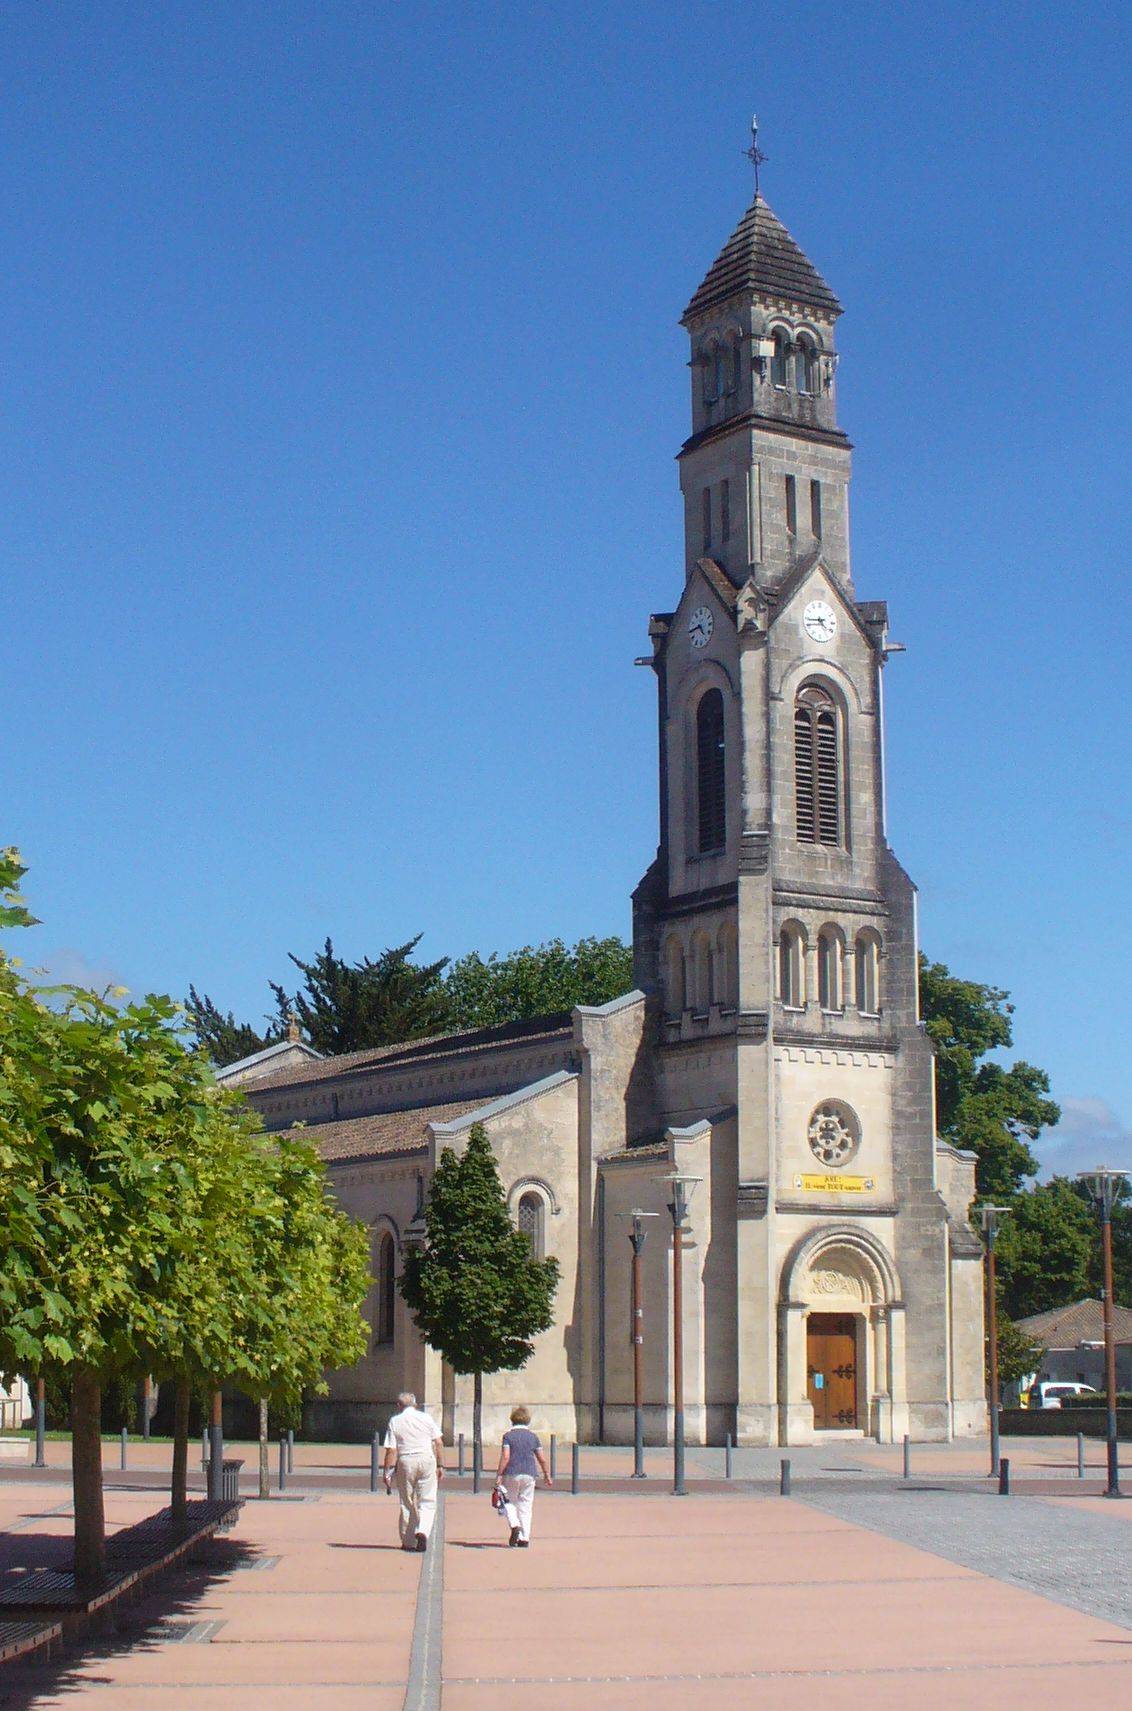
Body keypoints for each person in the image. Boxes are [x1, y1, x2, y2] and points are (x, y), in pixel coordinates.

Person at [381, 1392, 445, 1552]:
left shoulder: (395, 1421)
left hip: (406, 1460)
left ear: (399, 1405)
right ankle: (423, 1531)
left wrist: (387, 1471)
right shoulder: (426, 1418)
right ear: (415, 1405)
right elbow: (438, 1442)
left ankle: (408, 1541)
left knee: (407, 1501)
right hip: (426, 1458)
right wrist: (440, 1464)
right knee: (428, 1500)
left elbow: (391, 1449)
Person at [495, 1405, 552, 1547]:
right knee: (526, 1506)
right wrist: (546, 1474)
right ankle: (525, 1538)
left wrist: (499, 1474)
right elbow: (541, 1458)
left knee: (509, 1502)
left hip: (512, 1473)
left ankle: (515, 1526)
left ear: (512, 1420)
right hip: (529, 1473)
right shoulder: (533, 1437)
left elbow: (506, 1456)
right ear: (527, 1421)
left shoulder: (508, 1436)